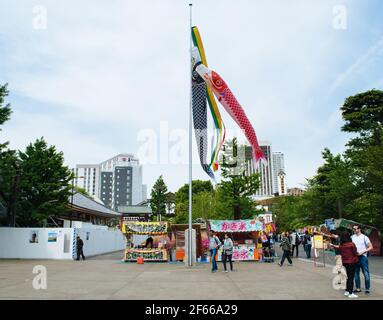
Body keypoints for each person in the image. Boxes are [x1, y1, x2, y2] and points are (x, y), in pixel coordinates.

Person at [331, 233, 359, 298]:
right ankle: (350, 293)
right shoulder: (352, 244)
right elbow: (355, 253)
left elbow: (339, 250)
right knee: (351, 278)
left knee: (348, 277)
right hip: (352, 262)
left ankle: (347, 291)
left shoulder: (342, 245)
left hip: (345, 262)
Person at [352, 225, 373, 294]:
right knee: (356, 273)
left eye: (355, 229)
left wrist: (362, 252)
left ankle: (367, 288)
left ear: (359, 229)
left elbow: (371, 247)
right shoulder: (352, 237)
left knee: (366, 273)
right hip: (355, 257)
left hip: (363, 257)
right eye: (353, 229)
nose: (354, 230)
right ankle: (358, 288)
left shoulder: (364, 237)